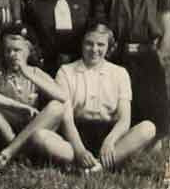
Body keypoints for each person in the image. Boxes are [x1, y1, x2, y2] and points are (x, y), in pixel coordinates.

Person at [44, 24, 156, 173]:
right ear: (81, 44)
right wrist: (79, 150)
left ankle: (96, 167)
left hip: (109, 132)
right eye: (89, 43)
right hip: (75, 134)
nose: (94, 49)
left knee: (148, 128)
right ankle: (88, 161)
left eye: (100, 44)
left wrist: (110, 141)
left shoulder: (119, 73)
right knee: (40, 136)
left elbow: (124, 119)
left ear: (109, 47)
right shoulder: (66, 71)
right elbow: (67, 119)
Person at [93, 0, 169, 144]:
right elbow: (101, 27)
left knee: (155, 116)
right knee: (122, 110)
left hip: (148, 56)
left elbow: (167, 26)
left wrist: (161, 56)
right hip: (119, 58)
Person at [0, 24, 67, 170]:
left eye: (17, 50)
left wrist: (27, 73)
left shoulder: (35, 72)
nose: (12, 55)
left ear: (28, 51)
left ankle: (12, 151)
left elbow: (62, 96)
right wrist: (16, 106)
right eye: (8, 50)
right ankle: (16, 150)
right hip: (5, 129)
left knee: (57, 107)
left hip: (30, 130)